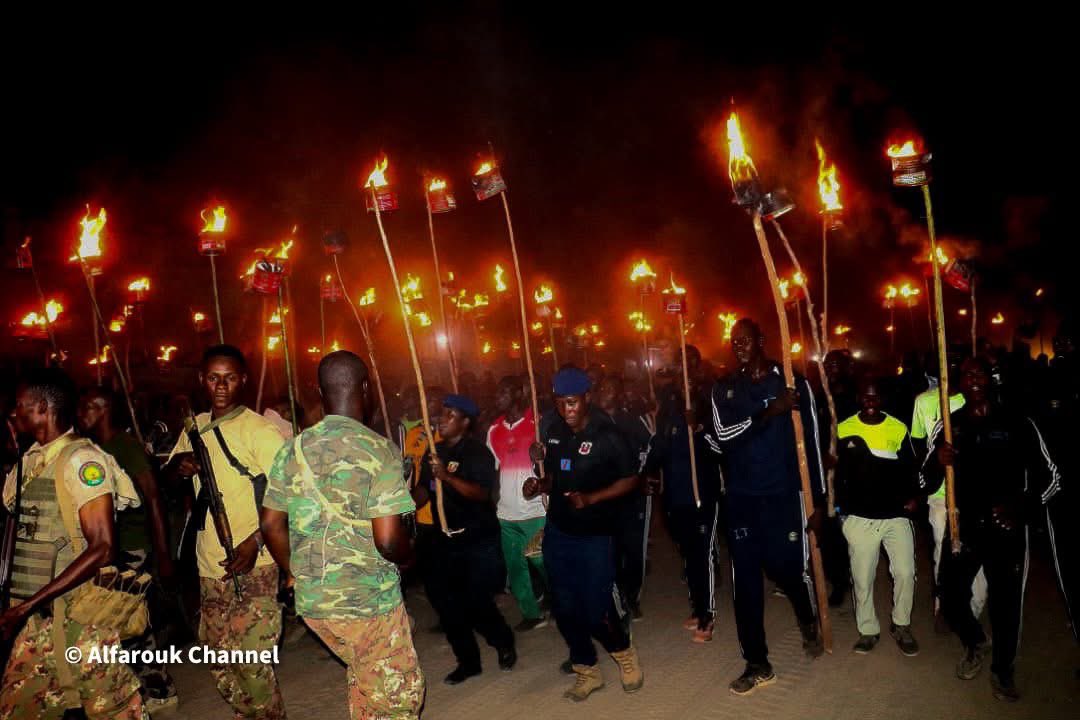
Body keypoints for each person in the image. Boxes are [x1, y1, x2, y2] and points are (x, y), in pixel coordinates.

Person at [260, 351, 424, 719]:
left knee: (368, 683)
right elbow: (387, 540)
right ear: (364, 389)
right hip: (366, 601)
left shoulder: (292, 449)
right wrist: (411, 555)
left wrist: (294, 571)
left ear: (320, 392)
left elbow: (270, 524)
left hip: (315, 604)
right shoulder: (379, 450)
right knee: (398, 699)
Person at [0, 368, 144, 718]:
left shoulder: (82, 461)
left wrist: (24, 606)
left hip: (82, 614)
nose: (14, 413)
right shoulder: (31, 462)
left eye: (20, 405)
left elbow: (103, 547)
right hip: (36, 618)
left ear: (42, 408)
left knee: (114, 709)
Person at [925, 356, 1062, 702]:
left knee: (1005, 607)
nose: (973, 379)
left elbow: (1052, 477)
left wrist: (1023, 506)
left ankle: (1003, 672)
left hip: (1008, 530)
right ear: (958, 382)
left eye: (979, 373)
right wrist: (937, 462)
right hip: (965, 527)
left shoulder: (1018, 421)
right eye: (966, 374)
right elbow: (924, 479)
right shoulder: (950, 425)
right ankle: (975, 641)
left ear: (990, 379)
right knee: (951, 596)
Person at [165, 344, 287, 719]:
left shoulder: (261, 432)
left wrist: (256, 542)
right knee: (220, 663)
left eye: (229, 377)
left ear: (243, 380)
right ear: (203, 380)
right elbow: (166, 479)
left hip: (257, 563)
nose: (221, 385)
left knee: (252, 666)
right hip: (209, 566)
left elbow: (292, 497)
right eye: (213, 377)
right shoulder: (194, 428)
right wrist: (179, 467)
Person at [711, 318, 826, 696]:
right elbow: (724, 437)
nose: (739, 345)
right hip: (742, 499)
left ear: (762, 340)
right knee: (745, 583)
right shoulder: (725, 388)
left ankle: (808, 618)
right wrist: (769, 412)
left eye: (745, 339)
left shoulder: (793, 382)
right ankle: (757, 663)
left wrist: (820, 500)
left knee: (788, 569)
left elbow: (812, 441)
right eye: (734, 341)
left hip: (784, 495)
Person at [524, 367, 644, 702]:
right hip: (560, 532)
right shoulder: (554, 431)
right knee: (564, 607)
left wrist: (591, 498)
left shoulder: (608, 434)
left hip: (596, 534)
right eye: (561, 403)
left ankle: (623, 653)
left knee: (595, 609)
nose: (567, 410)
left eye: (573, 403)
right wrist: (539, 483)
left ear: (587, 398)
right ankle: (586, 669)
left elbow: (631, 479)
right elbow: (556, 480)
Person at [77, 387, 178, 711]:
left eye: (86, 409)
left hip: (133, 545)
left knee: (127, 620)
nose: (81, 416)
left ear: (101, 408)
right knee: (128, 621)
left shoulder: (125, 446)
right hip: (112, 547)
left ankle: (157, 690)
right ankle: (153, 690)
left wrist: (163, 553)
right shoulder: (96, 449)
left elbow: (153, 497)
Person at [416, 394, 515, 685]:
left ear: (465, 422)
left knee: (476, 603)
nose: (440, 419)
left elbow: (481, 494)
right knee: (445, 604)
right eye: (440, 414)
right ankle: (468, 661)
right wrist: (404, 501)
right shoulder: (433, 452)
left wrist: (446, 477)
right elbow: (424, 490)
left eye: (448, 415)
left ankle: (502, 640)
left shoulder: (476, 453)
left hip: (475, 538)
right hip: (443, 538)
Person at [834, 377, 920, 656]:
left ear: (882, 399)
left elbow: (911, 467)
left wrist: (913, 497)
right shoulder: (843, 428)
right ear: (859, 397)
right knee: (862, 578)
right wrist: (840, 512)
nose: (870, 402)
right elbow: (835, 476)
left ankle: (901, 624)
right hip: (860, 517)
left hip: (895, 515)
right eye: (865, 396)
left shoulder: (898, 427)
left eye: (875, 397)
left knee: (906, 572)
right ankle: (868, 629)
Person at [644, 367, 721, 643]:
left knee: (702, 556)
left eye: (691, 373)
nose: (685, 380)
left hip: (702, 494)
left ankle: (707, 615)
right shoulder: (669, 407)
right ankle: (697, 606)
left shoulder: (710, 404)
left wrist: (698, 429)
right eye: (681, 374)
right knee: (688, 556)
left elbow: (722, 446)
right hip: (675, 495)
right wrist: (647, 471)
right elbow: (660, 447)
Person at [910, 350, 985, 626]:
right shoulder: (924, 402)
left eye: (957, 364)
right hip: (941, 494)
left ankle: (972, 613)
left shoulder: (975, 400)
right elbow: (917, 445)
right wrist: (928, 474)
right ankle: (943, 607)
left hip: (973, 495)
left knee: (976, 563)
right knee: (944, 554)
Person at [486, 376, 548, 631]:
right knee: (516, 566)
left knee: (544, 562)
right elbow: (497, 469)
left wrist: (542, 455)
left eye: (504, 391)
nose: (498, 396)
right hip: (507, 513)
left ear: (520, 393)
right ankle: (531, 613)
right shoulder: (494, 430)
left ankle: (564, 601)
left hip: (535, 511)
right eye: (497, 392)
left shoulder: (538, 423)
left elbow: (552, 464)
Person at [595, 374, 653, 620]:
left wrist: (645, 477)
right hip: (604, 496)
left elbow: (652, 447)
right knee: (609, 549)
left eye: (611, 387)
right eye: (603, 386)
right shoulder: (591, 421)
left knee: (633, 548)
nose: (606, 391)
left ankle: (632, 597)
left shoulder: (630, 420)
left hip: (632, 495)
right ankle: (613, 597)